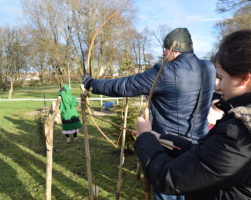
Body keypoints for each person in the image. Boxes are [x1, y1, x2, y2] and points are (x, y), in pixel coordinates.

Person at [134, 28, 251, 200]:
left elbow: (168, 178)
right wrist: (160, 137)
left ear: (245, 79)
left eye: (222, 77)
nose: (218, 87)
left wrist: (145, 138)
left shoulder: (239, 134)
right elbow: (208, 156)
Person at [83, 27, 216, 200]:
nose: (163, 53)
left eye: (166, 50)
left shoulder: (166, 72)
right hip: (200, 142)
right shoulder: (208, 67)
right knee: (192, 190)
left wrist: (92, 83)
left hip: (169, 144)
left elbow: (124, 86)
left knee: (168, 189)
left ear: (174, 50)